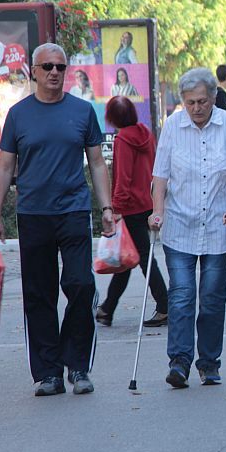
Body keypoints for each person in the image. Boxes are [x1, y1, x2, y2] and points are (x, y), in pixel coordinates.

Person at [0, 43, 114, 397]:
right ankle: (48, 372)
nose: (54, 72)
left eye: (60, 66)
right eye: (47, 67)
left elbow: (98, 163)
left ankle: (78, 365)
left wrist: (106, 208)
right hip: (33, 214)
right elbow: (5, 167)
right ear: (34, 71)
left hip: (73, 211)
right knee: (39, 294)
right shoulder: (18, 115)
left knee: (80, 285)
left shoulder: (82, 111)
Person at [150, 68, 226, 388]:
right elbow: (160, 176)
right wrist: (157, 212)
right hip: (179, 223)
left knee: (211, 296)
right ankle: (179, 361)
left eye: (203, 101)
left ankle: (209, 362)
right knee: (181, 295)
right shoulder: (173, 128)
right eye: (190, 102)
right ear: (183, 101)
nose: (196, 108)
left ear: (213, 98)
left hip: (220, 225)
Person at [96, 96, 168, 328]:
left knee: (142, 258)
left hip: (130, 207)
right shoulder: (145, 133)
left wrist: (115, 208)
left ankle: (165, 306)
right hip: (146, 202)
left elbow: (123, 178)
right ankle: (106, 309)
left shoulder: (123, 140)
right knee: (128, 257)